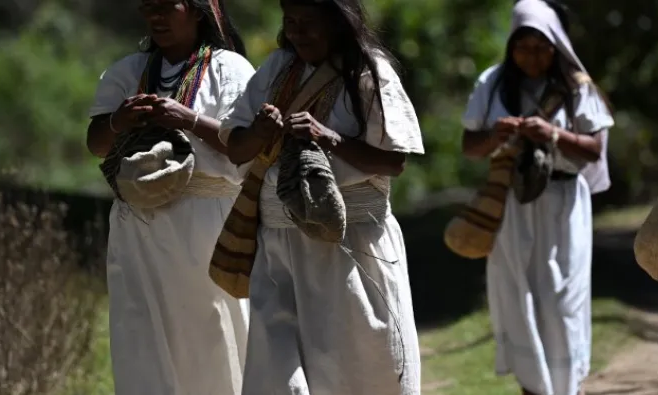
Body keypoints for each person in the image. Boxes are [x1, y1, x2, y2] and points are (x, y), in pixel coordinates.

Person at [217, 0, 425, 393]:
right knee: (278, 375)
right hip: (279, 247)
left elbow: (395, 161)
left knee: (361, 368)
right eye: (290, 22)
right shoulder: (278, 69)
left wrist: (328, 136)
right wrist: (260, 132)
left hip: (352, 246)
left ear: (338, 21)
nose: (297, 33)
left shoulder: (369, 72)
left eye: (309, 24)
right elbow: (236, 148)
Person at [84, 1, 254, 394]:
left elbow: (244, 147)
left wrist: (188, 119)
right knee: (144, 338)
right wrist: (119, 121)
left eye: (166, 6)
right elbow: (96, 143)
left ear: (196, 10)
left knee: (214, 336)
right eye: (148, 7)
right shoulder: (127, 72)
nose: (155, 16)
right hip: (139, 227)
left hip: (207, 225)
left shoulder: (229, 70)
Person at [460, 1, 615, 394]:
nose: (532, 56)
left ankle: (567, 387)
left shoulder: (578, 87)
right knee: (519, 294)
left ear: (556, 45)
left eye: (541, 46)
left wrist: (553, 135)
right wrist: (496, 136)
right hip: (513, 205)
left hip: (563, 206)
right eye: (523, 47)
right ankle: (533, 388)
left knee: (562, 301)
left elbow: (594, 149)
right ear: (511, 48)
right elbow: (469, 145)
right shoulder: (493, 83)